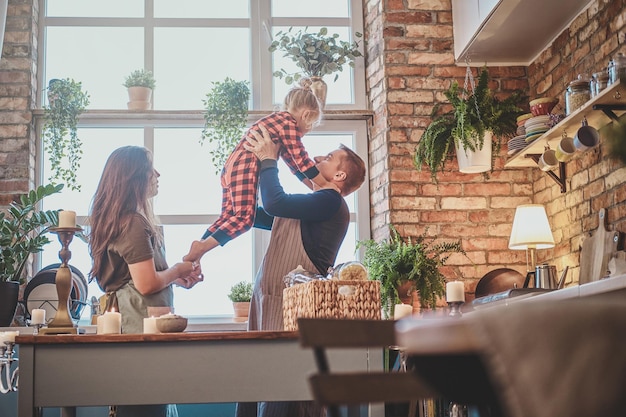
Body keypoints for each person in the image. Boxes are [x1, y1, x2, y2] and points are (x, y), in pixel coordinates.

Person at [235, 125, 366, 417]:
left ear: (339, 176)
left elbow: (275, 202)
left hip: (290, 313)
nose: (318, 157)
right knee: (260, 384)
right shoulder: (314, 205)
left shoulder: (330, 201)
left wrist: (270, 159)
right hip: (269, 307)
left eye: (329, 157)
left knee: (284, 393)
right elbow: (260, 214)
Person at [87, 146, 203, 417]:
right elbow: (147, 285)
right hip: (139, 331)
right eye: (151, 168)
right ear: (134, 177)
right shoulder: (134, 224)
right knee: (146, 405)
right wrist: (176, 270)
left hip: (137, 325)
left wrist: (177, 279)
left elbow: (140, 279)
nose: (158, 173)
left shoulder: (124, 221)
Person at [184, 81, 327, 262]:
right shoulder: (288, 123)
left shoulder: (277, 122)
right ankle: (202, 248)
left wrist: (315, 188)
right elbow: (303, 161)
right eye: (311, 124)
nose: (308, 130)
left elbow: (294, 166)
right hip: (245, 165)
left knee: (229, 216)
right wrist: (326, 184)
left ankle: (198, 250)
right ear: (306, 115)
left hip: (231, 168)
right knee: (245, 219)